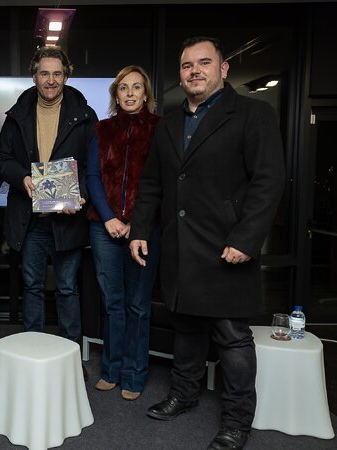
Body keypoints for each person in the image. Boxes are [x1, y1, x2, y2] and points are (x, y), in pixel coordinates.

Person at [130, 36, 285, 450]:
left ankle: (236, 422)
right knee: (186, 327)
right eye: (187, 65)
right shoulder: (168, 123)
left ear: (223, 68)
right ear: (180, 75)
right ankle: (184, 394)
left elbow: (268, 182)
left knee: (232, 337)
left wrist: (247, 239)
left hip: (226, 248)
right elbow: (152, 183)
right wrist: (140, 230)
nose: (194, 71)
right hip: (181, 247)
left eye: (203, 63)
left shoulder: (253, 114)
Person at [0, 46, 97, 378]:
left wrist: (80, 194)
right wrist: (21, 177)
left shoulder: (85, 115)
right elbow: (1, 159)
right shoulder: (17, 115)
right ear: (34, 76)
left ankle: (69, 360)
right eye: (44, 73)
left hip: (67, 219)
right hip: (31, 221)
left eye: (57, 73)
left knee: (67, 288)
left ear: (66, 75)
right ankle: (33, 356)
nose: (50, 80)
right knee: (33, 287)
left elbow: (92, 166)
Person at [86, 65, 161, 400]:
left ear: (146, 94)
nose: (130, 93)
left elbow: (160, 183)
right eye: (123, 88)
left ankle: (134, 375)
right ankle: (111, 370)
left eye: (136, 87)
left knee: (138, 305)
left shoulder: (160, 129)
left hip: (145, 230)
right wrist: (108, 218)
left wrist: (137, 224)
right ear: (115, 95)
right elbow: (92, 178)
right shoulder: (101, 130)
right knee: (113, 303)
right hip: (104, 228)